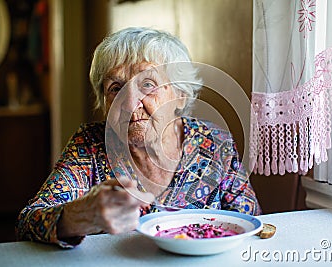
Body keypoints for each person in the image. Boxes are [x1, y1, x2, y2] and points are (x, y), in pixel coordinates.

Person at [16, 27, 261, 248]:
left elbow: (254, 223)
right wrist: (80, 216)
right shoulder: (88, 146)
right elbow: (27, 223)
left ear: (180, 95)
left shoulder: (215, 143)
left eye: (147, 84)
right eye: (115, 88)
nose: (130, 103)